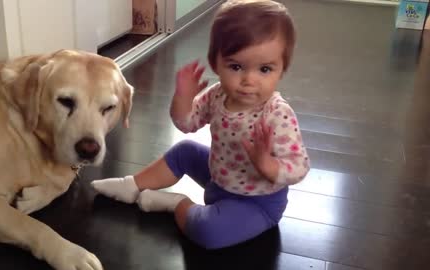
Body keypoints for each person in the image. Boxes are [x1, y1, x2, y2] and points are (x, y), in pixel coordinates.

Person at [91, 0, 310, 249]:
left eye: (265, 69)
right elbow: (186, 123)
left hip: (257, 203)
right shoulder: (217, 95)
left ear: (282, 69)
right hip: (219, 177)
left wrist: (268, 166)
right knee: (185, 150)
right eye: (236, 66)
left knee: (208, 232)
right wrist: (183, 98)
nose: (249, 80)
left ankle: (175, 203)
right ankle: (132, 185)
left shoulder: (277, 115)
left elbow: (299, 167)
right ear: (215, 63)